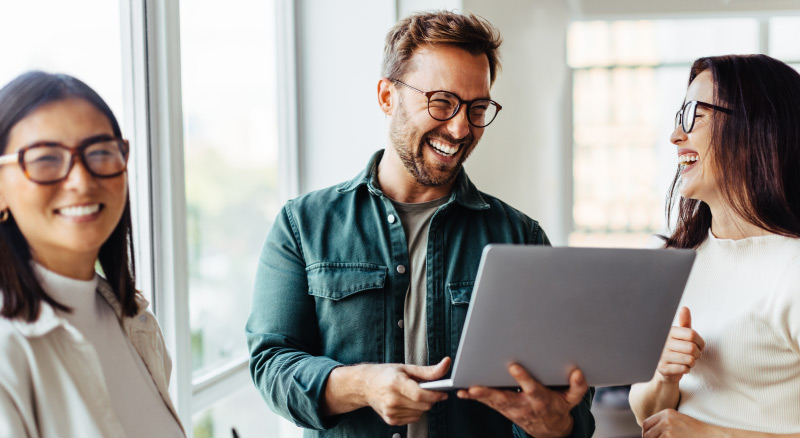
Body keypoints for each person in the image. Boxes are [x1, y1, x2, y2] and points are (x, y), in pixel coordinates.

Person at [246, 11, 594, 438]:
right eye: (442, 102)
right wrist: (362, 385)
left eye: (477, 107)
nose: (461, 127)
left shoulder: (521, 238)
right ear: (387, 97)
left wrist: (556, 425)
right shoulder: (302, 225)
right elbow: (271, 362)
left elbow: (567, 402)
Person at [0, 72, 184, 437]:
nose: (81, 181)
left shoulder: (135, 321)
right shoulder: (7, 349)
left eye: (100, 152)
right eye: (45, 159)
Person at [628, 54, 800, 437]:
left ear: (756, 127)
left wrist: (710, 434)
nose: (675, 135)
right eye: (679, 116)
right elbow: (646, 414)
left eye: (695, 115)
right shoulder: (671, 260)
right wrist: (664, 376)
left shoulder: (792, 270)